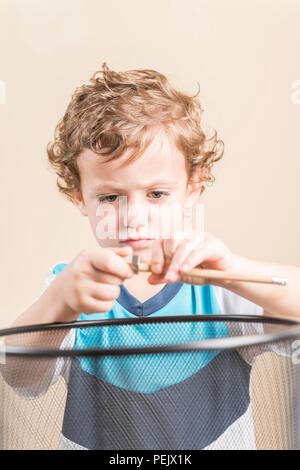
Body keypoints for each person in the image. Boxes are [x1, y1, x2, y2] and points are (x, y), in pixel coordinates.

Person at [3, 63, 300, 450]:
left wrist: (234, 272)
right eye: (110, 197)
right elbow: (19, 378)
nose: (134, 217)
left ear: (192, 186)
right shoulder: (74, 289)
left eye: (157, 194)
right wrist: (58, 301)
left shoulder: (218, 287)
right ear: (79, 197)